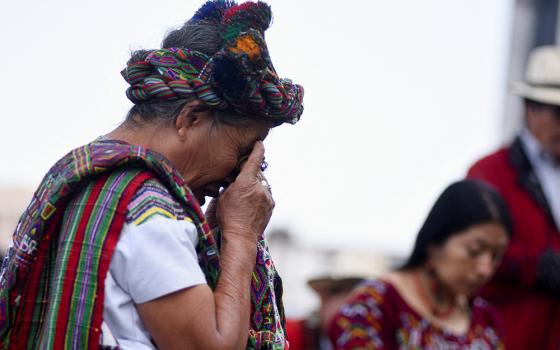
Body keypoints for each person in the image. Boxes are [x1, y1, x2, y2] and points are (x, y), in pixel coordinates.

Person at [0, 1, 304, 349]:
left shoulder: (77, 170)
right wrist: (241, 235)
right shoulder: (150, 208)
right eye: (243, 149)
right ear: (190, 119)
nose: (240, 172)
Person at [328, 180, 512, 349]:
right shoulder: (372, 307)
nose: (485, 269)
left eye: (496, 256)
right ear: (434, 243)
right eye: (473, 251)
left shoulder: (486, 320)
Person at [467, 45, 560, 350]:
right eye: (557, 113)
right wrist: (543, 267)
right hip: (509, 336)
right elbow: (472, 251)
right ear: (529, 109)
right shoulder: (490, 172)